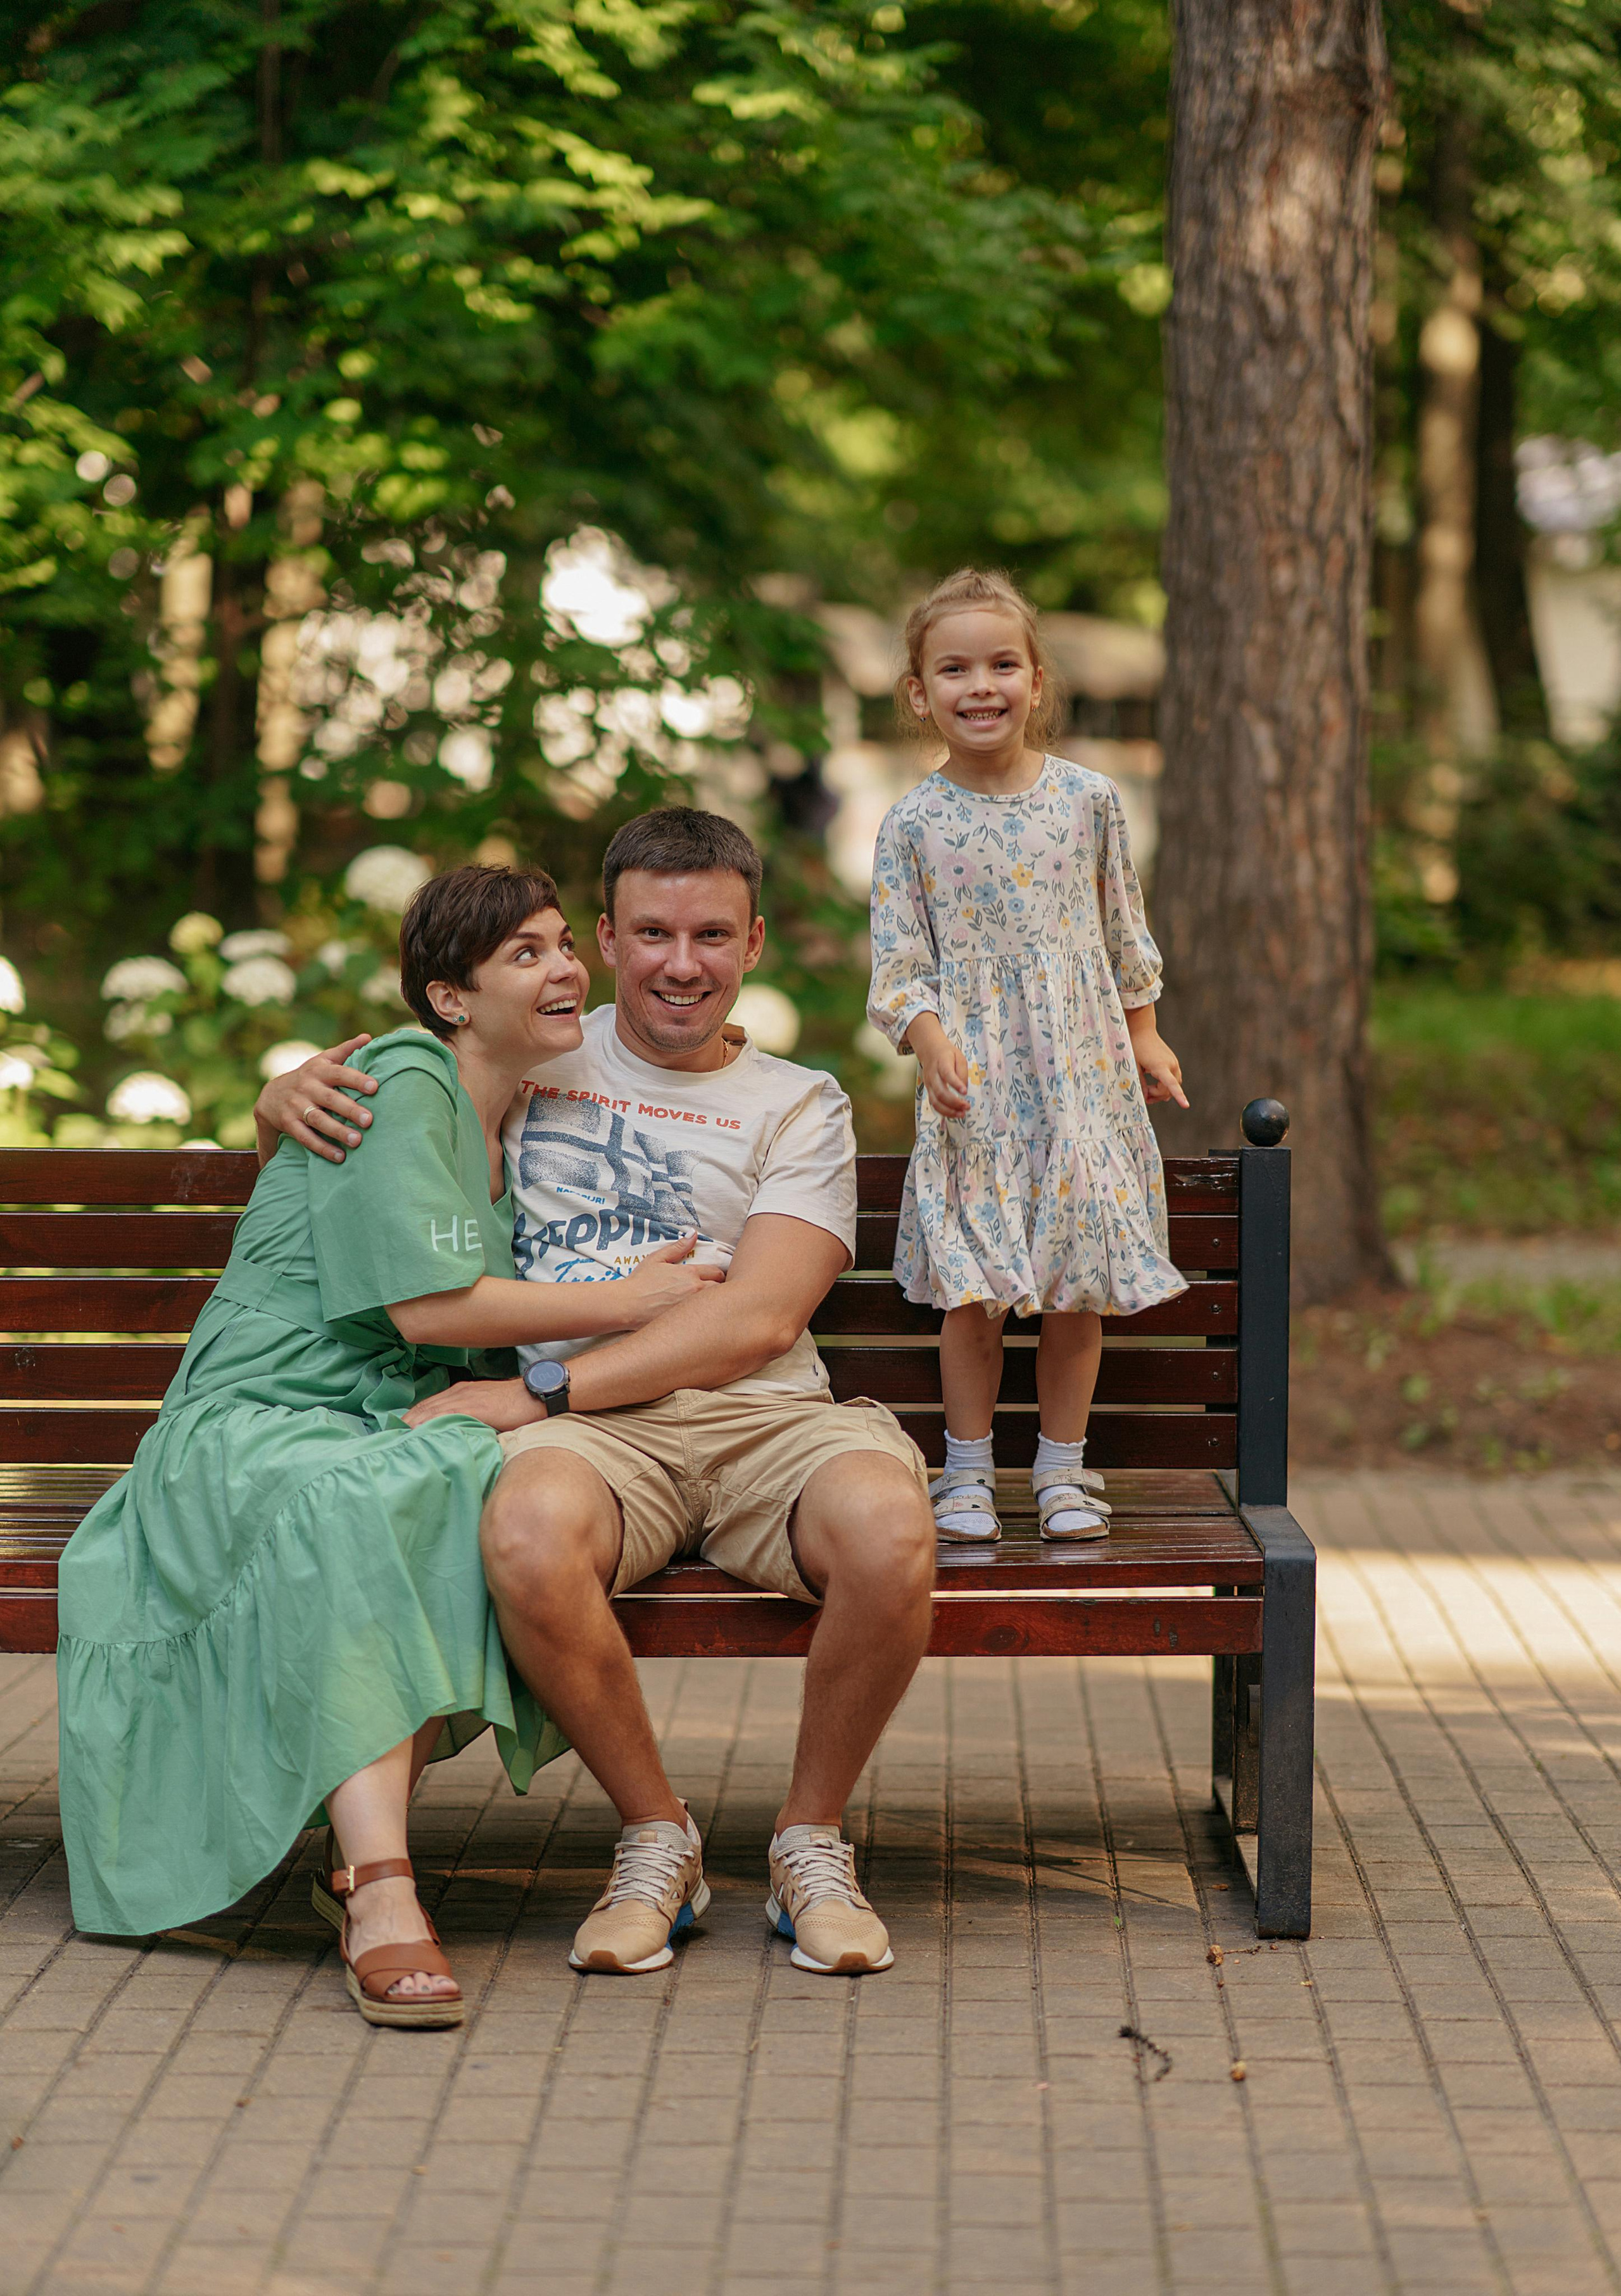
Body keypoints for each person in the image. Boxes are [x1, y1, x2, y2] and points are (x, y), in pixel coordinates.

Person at [262, 809, 938, 1979]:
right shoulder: (533, 1055)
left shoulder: (801, 1102)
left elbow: (760, 1317)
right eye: (654, 932)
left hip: (759, 1412)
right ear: (609, 942)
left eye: (713, 934)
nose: (684, 963)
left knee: (889, 1526)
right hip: (597, 1440)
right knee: (523, 1532)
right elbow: (390, 1101)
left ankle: (809, 1840)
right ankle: (655, 1836)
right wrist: (276, 1097)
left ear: (756, 941)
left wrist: (540, 1390)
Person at [56, 864, 721, 2027]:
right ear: (449, 997)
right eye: (525, 953)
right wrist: (628, 1301)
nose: (565, 968)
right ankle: (379, 1887)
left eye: (567, 945)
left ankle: (356, 1857)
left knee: (462, 1473)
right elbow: (427, 1311)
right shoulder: (407, 1078)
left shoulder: (519, 1108)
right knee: (374, 1493)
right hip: (258, 1419)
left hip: (374, 1419)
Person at [866, 566, 1190, 1545]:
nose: (982, 685)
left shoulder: (1089, 801)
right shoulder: (913, 824)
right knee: (976, 1285)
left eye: (1003, 663)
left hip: (1082, 1081)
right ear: (920, 691)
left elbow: (1120, 925)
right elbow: (899, 963)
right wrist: (928, 1040)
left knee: (1073, 1282)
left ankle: (1061, 1467)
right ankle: (966, 1470)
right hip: (981, 1088)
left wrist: (1143, 1033)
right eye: (954, 668)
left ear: (1036, 680)